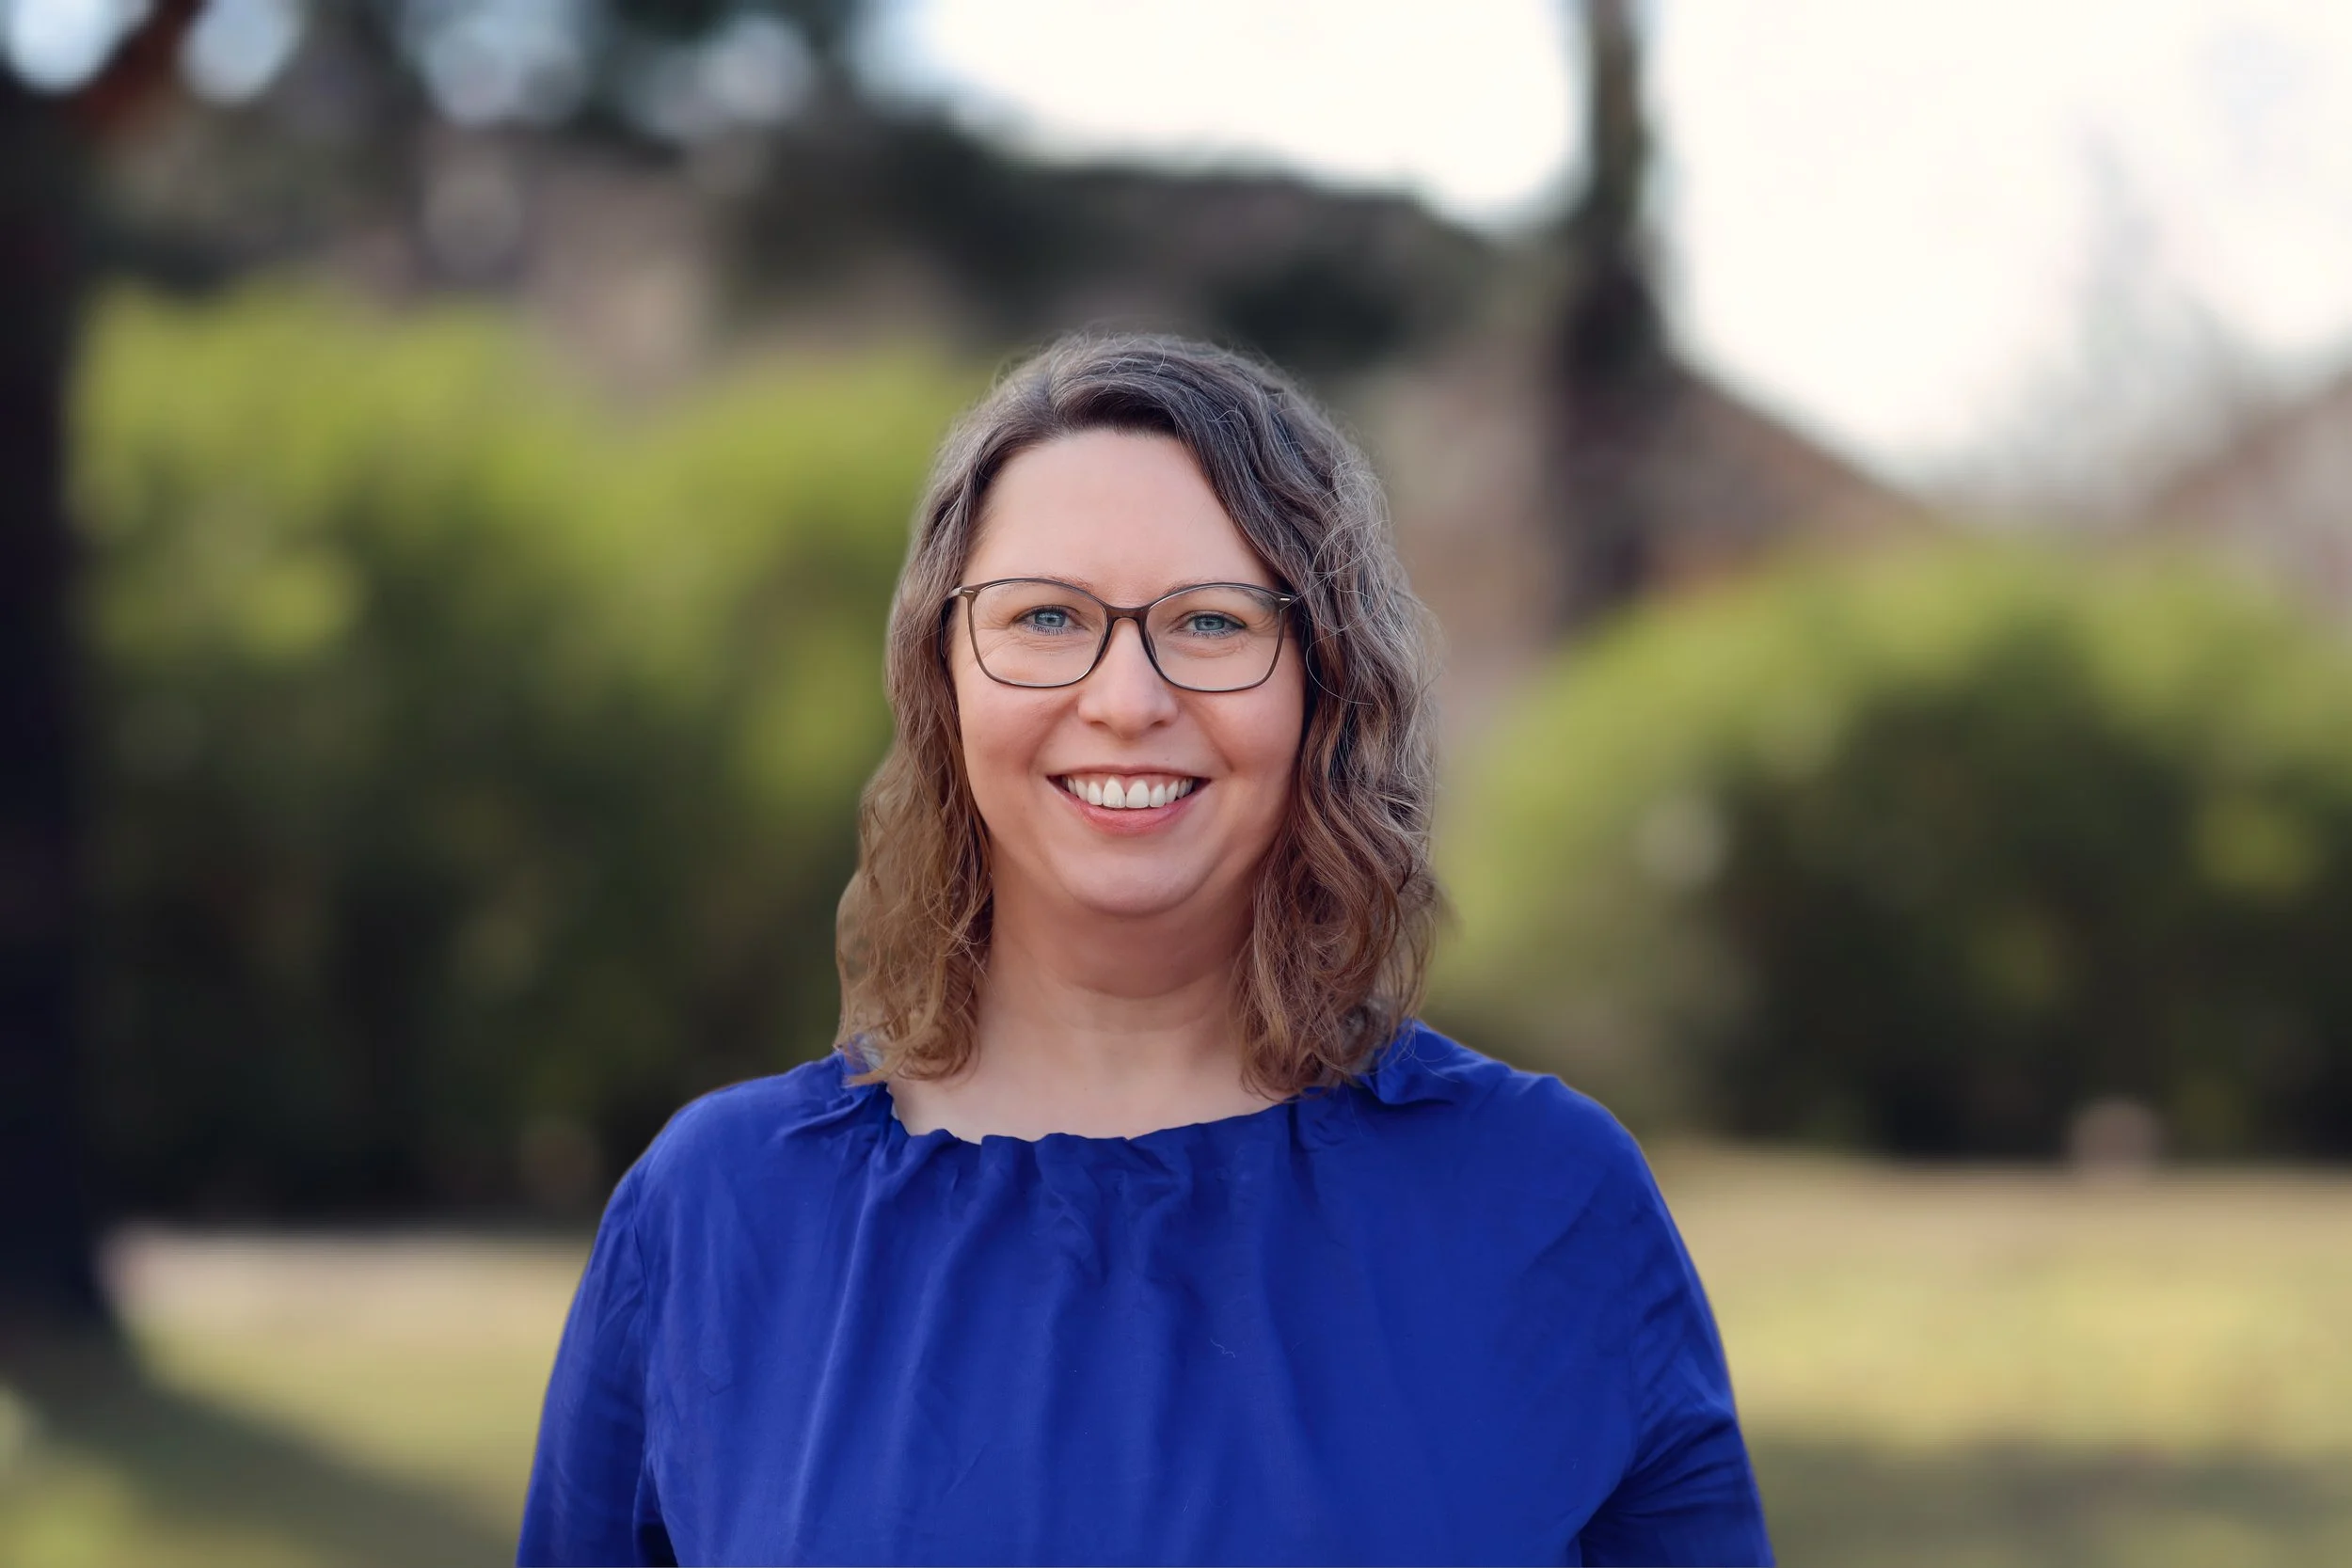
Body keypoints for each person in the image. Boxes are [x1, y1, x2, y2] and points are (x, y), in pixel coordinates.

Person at [517, 334, 1772, 1566]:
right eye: (1047, 615)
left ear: (1322, 684)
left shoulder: (1545, 1205)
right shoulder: (721, 1214)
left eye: (1213, 621)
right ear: (941, 678)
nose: (1126, 698)